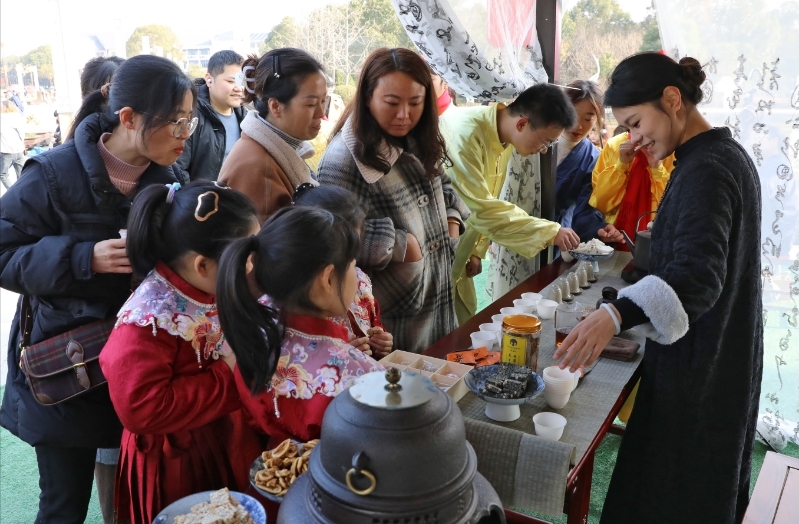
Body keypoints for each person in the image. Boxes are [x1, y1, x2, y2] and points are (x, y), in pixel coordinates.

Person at [554, 53, 763, 524]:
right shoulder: (722, 156)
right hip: (721, 354)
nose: (634, 138)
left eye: (635, 122)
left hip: (701, 369)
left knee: (672, 492)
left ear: (672, 100)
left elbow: (697, 277)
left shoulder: (706, 170)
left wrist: (613, 316)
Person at [0, 54, 193, 524]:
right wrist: (83, 258)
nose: (185, 136)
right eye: (175, 123)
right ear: (128, 118)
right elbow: (4, 253)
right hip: (68, 370)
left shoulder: (170, 182)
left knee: (143, 499)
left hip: (141, 368)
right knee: (64, 505)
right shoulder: (51, 174)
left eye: (190, 121)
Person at [99, 181, 261, 524]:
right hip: (175, 461)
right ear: (202, 265)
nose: (252, 267)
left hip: (215, 434)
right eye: (245, 258)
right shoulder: (147, 321)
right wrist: (226, 374)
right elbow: (140, 409)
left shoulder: (206, 283)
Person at [318, 47, 470, 353]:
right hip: (391, 321)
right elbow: (331, 241)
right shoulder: (344, 159)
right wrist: (404, 247)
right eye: (391, 103)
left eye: (415, 103)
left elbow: (447, 189)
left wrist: (452, 222)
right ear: (367, 98)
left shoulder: (418, 136)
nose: (404, 115)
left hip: (438, 304)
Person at [217, 206, 383, 442]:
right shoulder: (361, 374)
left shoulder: (248, 329)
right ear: (327, 279)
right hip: (335, 475)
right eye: (352, 266)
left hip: (272, 469)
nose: (356, 277)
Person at [440, 83, 581, 323]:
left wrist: (476, 250)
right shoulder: (466, 134)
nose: (544, 151)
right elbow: (479, 208)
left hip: (461, 249)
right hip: (438, 249)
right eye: (545, 142)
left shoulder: (502, 137)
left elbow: (488, 197)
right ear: (522, 124)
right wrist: (550, 231)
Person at [219, 48, 325, 223]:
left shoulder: (272, 150)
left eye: (323, 101)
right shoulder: (256, 170)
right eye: (311, 104)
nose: (321, 113)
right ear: (275, 106)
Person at [294, 184, 394, 358]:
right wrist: (340, 356)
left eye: (352, 250)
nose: (349, 261)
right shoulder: (297, 302)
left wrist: (381, 343)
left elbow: (372, 323)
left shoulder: (359, 282)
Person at [589, 104, 676, 248]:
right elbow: (601, 204)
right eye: (629, 127)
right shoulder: (615, 146)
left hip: (660, 242)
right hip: (616, 239)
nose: (636, 136)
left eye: (637, 124)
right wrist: (621, 165)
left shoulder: (671, 151)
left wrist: (656, 168)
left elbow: (674, 209)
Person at [555, 80, 623, 244]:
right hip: (519, 229)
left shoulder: (593, 158)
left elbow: (585, 209)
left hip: (559, 235)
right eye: (573, 115)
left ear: (597, 120)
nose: (578, 126)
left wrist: (597, 229)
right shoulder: (537, 140)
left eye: (587, 119)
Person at [177, 50, 247, 181]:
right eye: (231, 81)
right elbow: (178, 169)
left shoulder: (247, 119)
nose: (239, 88)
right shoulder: (191, 115)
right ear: (209, 79)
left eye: (242, 82)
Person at [1, 99, 25, 190]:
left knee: (3, 174)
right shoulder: (18, 117)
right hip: (19, 150)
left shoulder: (1, 119)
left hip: (7, 151)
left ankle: (12, 192)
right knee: (22, 175)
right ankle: (22, 192)